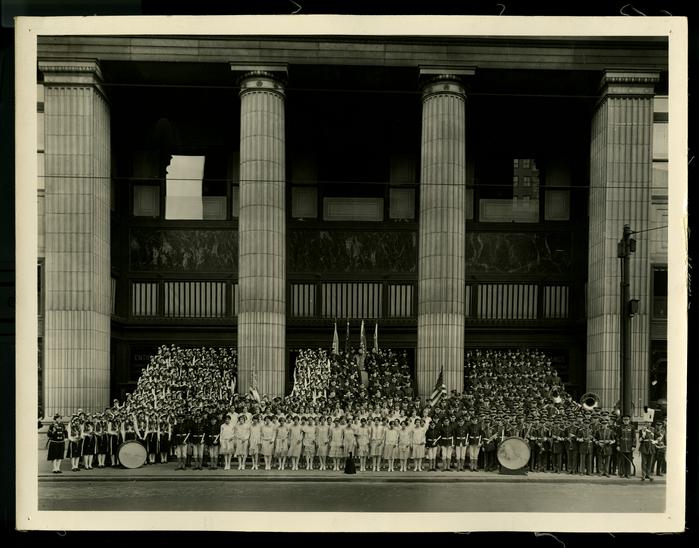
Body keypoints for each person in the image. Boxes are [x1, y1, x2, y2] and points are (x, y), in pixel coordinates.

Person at [616, 414, 636, 478]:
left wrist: (633, 446)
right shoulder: (620, 427)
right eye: (624, 420)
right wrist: (618, 445)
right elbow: (618, 437)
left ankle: (628, 473)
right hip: (622, 445)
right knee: (622, 460)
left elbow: (634, 437)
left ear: (629, 420)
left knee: (628, 460)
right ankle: (622, 473)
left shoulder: (632, 427)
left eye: (627, 420)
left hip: (629, 446)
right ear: (622, 420)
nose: (626, 421)